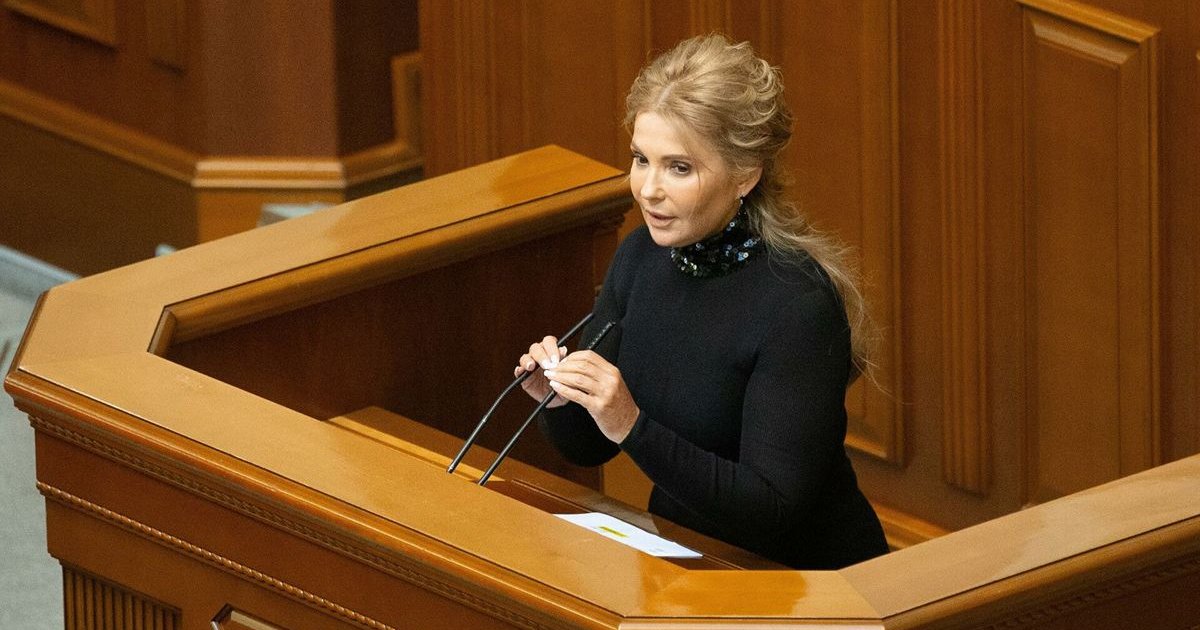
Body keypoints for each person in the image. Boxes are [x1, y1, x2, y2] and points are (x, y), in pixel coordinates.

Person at [513, 34, 888, 570]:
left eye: (679, 168)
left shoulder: (797, 305)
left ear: (745, 175)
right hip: (683, 559)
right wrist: (558, 399)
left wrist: (631, 424)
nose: (648, 189)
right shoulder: (640, 257)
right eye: (641, 159)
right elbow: (591, 447)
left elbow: (773, 509)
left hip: (801, 581)